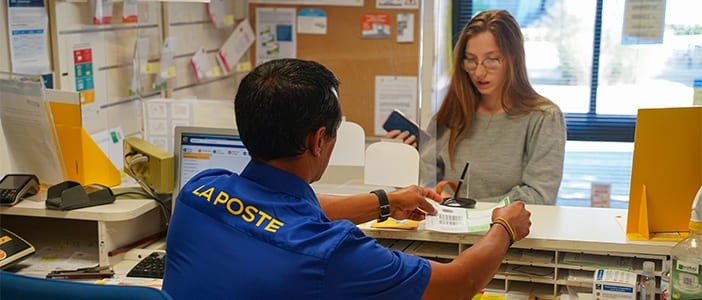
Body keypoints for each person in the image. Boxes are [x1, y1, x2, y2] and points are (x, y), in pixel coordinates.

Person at [162, 58, 532, 299]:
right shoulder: (333, 252)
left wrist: (385, 202)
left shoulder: (199, 191)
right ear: (317, 140)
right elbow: (459, 283)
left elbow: (290, 211)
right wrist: (504, 228)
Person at [387, 9, 566, 205]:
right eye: (471, 60)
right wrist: (404, 159)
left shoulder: (544, 118)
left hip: (509, 233)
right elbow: (424, 186)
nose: (479, 72)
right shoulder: (449, 117)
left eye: (491, 60)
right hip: (448, 231)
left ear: (514, 59)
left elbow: (539, 197)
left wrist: (463, 206)